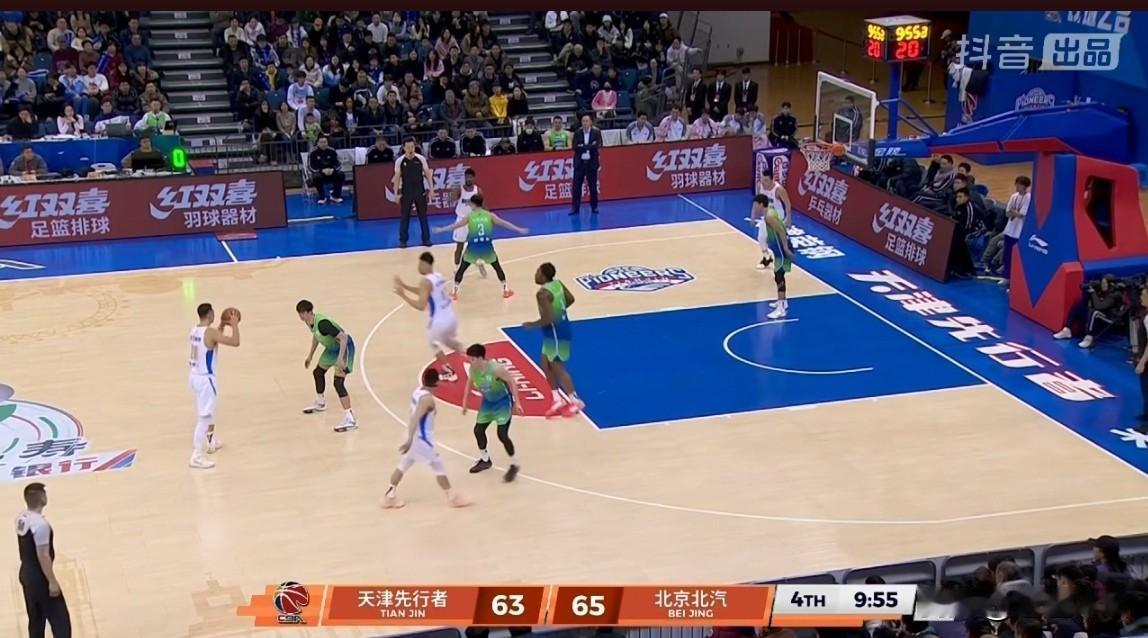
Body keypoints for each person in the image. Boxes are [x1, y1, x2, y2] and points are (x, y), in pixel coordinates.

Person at [383, 368, 471, 509]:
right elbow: (415, 418)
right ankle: (452, 497)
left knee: (403, 465)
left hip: (414, 435)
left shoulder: (417, 391)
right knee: (438, 466)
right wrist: (410, 439)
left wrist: (409, 437)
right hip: (422, 439)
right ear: (437, 382)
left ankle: (390, 495)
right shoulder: (427, 400)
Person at [435, 192, 527, 299]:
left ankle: (454, 292)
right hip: (486, 247)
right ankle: (506, 289)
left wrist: (441, 229)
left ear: (473, 204)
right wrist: (518, 229)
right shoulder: (490, 215)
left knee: (461, 269)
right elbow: (505, 224)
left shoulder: (469, 216)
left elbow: (454, 226)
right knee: (497, 267)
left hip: (473, 248)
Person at [521, 262, 583, 418]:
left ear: (543, 275)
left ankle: (575, 400)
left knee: (557, 367)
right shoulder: (558, 284)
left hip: (556, 332)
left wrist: (532, 324)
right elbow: (570, 299)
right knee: (545, 364)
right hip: (559, 329)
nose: (535, 274)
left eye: (538, 272)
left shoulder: (542, 294)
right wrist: (559, 310)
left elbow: (548, 319)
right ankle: (557, 399)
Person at [393, 252, 466, 382]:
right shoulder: (438, 276)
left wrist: (403, 295)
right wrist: (405, 286)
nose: (418, 267)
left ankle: (450, 372)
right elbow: (424, 291)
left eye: (420, 264)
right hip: (451, 317)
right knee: (453, 343)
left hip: (438, 321)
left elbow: (421, 305)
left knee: (433, 345)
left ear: (426, 264)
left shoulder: (425, 281)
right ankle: (475, 358)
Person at [188, 303, 241, 469]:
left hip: (194, 376)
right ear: (210, 314)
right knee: (204, 418)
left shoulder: (195, 330)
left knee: (208, 412)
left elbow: (212, 339)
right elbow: (235, 342)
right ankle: (197, 456)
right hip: (206, 379)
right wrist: (234, 325)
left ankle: (210, 440)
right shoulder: (210, 332)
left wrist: (222, 325)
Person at [462, 343, 525, 481]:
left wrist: (517, 402)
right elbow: (469, 383)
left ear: (480, 358)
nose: (470, 361)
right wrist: (465, 402)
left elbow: (512, 381)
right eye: (469, 359)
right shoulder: (473, 369)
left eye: (472, 359)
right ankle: (485, 460)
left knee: (502, 434)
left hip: (502, 403)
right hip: (488, 403)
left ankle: (514, 464)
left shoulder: (496, 369)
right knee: (478, 430)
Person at [16, 482, 71, 638]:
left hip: (26, 574)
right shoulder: (40, 525)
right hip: (40, 577)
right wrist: (52, 582)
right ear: (41, 498)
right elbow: (43, 555)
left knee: (36, 620)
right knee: (60, 620)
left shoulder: (21, 518)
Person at [297, 299, 358, 432]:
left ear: (309, 312)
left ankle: (350, 419)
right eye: (299, 313)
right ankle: (320, 403)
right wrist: (310, 355)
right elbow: (316, 337)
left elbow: (343, 337)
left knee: (338, 383)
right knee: (318, 372)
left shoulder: (323, 324)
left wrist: (340, 359)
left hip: (344, 348)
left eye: (302, 313)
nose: (300, 316)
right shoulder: (309, 322)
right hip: (332, 349)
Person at [751, 193, 795, 320]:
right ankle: (783, 302)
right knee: (779, 275)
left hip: (781, 248)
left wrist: (786, 248)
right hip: (778, 248)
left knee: (778, 275)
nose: (755, 208)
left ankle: (781, 309)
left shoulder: (769, 216)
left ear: (761, 204)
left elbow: (781, 230)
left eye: (756, 205)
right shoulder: (770, 211)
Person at [393, 137, 436, 248]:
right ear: (404, 148)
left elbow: (428, 175)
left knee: (423, 216)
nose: (410, 149)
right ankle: (403, 240)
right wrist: (396, 193)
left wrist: (431, 190)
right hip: (406, 191)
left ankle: (426, 239)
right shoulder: (399, 161)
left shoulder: (421, 159)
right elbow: (396, 178)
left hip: (419, 190)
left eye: (412, 147)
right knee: (404, 216)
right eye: (408, 147)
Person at [448, 168, 487, 278]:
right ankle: (456, 268)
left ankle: (479, 262)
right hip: (461, 220)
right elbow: (450, 200)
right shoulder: (460, 189)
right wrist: (453, 193)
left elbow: (483, 205)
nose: (468, 179)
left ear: (474, 178)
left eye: (470, 177)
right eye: (467, 177)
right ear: (464, 178)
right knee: (459, 247)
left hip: (473, 220)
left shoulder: (477, 191)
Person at [756, 169, 792, 273]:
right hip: (767, 216)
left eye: (766, 180)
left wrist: (788, 218)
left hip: (777, 216)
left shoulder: (779, 189)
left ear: (772, 180)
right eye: (762, 179)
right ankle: (767, 257)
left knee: (776, 241)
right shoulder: (759, 186)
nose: (763, 182)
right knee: (761, 237)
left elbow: (788, 203)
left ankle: (783, 261)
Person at [570, 112, 602, 216]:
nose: (585, 123)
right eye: (583, 121)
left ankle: (594, 206)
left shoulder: (596, 132)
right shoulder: (577, 133)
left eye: (587, 121)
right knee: (576, 187)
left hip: (592, 163)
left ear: (591, 122)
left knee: (592, 186)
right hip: (580, 164)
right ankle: (575, 207)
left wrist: (583, 146)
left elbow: (597, 145)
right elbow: (575, 146)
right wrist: (588, 146)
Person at [308, 136, 345, 204]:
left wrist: (333, 169)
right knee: (316, 177)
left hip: (331, 172)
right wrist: (321, 170)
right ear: (317, 143)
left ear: (327, 142)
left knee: (341, 174)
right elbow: (310, 167)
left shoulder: (332, 151)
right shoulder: (313, 152)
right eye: (321, 142)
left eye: (325, 142)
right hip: (320, 173)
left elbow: (338, 164)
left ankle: (335, 196)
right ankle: (322, 197)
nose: (323, 144)